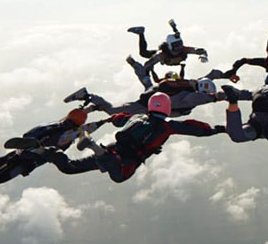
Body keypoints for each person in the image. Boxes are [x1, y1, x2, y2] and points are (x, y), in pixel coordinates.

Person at [45, 93, 224, 183]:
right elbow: (196, 129)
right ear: (167, 109)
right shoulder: (168, 126)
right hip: (123, 161)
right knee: (119, 177)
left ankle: (46, 152)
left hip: (113, 149)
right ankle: (93, 147)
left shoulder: (137, 117)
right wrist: (217, 130)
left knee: (69, 168)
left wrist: (109, 118)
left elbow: (118, 119)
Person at [0, 109, 114, 187]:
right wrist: (107, 120)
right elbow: (88, 127)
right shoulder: (74, 132)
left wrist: (92, 110)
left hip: (21, 152)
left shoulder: (58, 123)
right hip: (29, 160)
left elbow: (81, 116)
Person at [63, 74, 243, 118]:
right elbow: (204, 98)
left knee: (118, 114)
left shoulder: (186, 86)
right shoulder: (192, 96)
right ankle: (90, 97)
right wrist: (223, 96)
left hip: (147, 104)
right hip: (146, 106)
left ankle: (94, 105)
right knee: (113, 112)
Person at [126, 19, 209, 88]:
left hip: (169, 60)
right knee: (143, 53)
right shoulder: (161, 55)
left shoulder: (183, 49)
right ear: (169, 46)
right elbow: (148, 64)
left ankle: (141, 33)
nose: (178, 48)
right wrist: (147, 74)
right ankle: (141, 33)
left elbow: (199, 50)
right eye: (175, 46)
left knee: (144, 54)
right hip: (166, 58)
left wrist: (203, 55)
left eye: (179, 45)